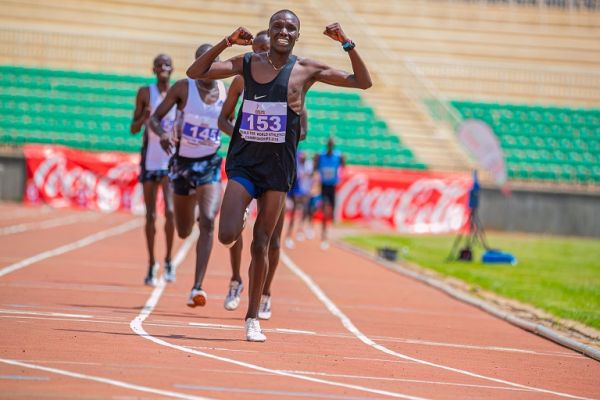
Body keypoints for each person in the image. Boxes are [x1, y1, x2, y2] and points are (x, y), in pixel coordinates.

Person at [187, 9, 372, 341]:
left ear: (297, 35)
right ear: (269, 32)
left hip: (277, 169)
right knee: (227, 235)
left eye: (290, 27)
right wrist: (228, 41)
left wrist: (346, 42)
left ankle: (252, 317)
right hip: (244, 164)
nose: (283, 31)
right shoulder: (247, 62)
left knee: (262, 244)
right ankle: (240, 215)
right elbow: (195, 70)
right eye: (278, 26)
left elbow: (363, 82)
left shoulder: (306, 69)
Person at [217, 30, 308, 320]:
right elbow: (224, 119)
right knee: (232, 230)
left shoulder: (292, 82)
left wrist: (279, 133)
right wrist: (244, 135)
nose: (259, 55)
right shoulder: (241, 77)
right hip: (247, 163)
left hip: (277, 168)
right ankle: (236, 280)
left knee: (271, 241)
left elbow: (302, 129)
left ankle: (265, 293)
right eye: (256, 49)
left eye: (264, 49)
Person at [150, 44, 231, 308]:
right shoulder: (184, 88)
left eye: (215, 61)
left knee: (208, 221)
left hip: (209, 164)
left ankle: (197, 286)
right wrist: (163, 134)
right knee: (184, 230)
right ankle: (192, 201)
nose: (210, 66)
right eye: (205, 61)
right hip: (182, 164)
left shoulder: (226, 90)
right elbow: (155, 118)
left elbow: (228, 122)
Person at [130, 54, 176, 286]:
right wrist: (144, 118)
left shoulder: (178, 94)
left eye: (167, 64)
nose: (163, 68)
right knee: (150, 215)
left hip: (170, 160)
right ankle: (151, 263)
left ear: (172, 68)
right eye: (159, 65)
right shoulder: (145, 93)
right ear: (153, 69)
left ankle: (168, 260)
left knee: (169, 211)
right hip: (150, 160)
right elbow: (133, 128)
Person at [314, 137, 345, 250]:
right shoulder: (321, 155)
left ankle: (326, 232)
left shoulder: (338, 156)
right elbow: (315, 167)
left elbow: (344, 166)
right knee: (325, 211)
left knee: (331, 212)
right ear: (327, 145)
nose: (331, 146)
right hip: (324, 186)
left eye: (332, 145)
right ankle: (324, 235)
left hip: (332, 186)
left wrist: (340, 174)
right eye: (329, 144)